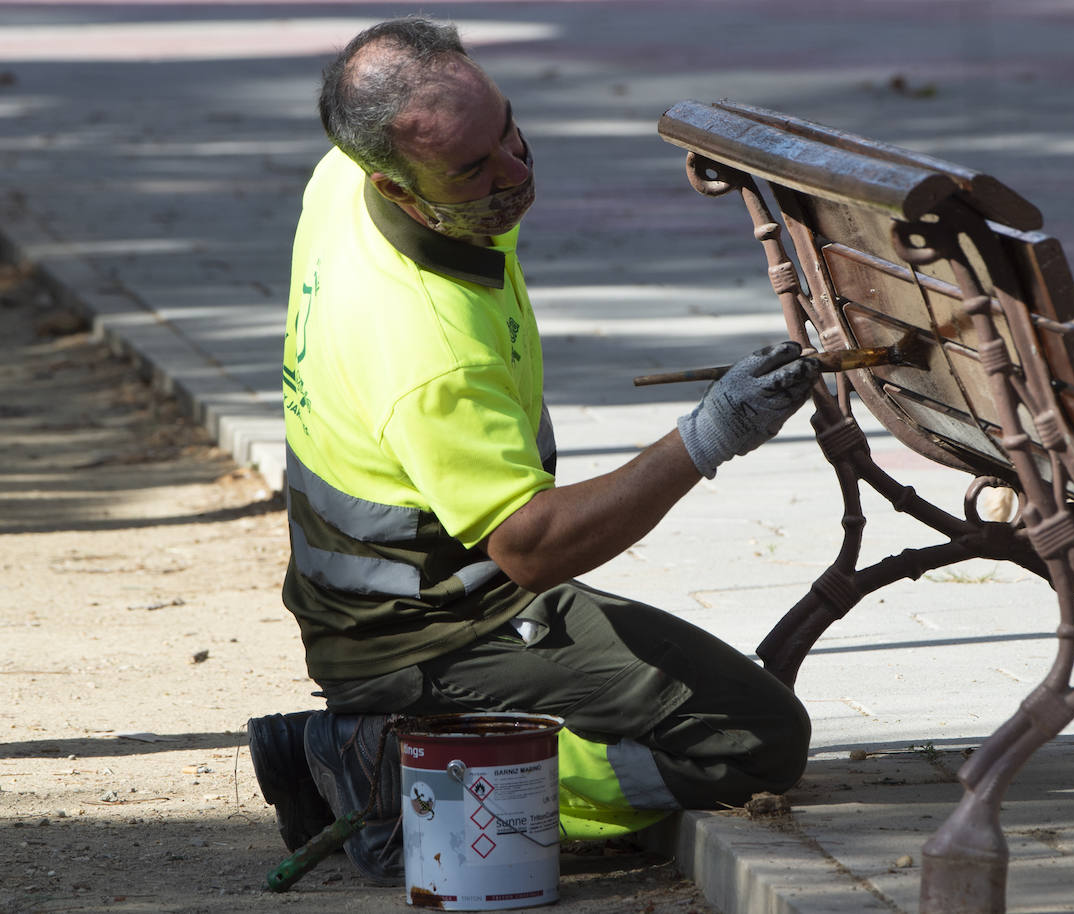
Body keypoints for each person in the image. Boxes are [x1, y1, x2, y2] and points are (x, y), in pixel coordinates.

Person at [247, 16, 819, 885]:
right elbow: (531, 547)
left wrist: (474, 175)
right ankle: (401, 772)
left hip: (408, 587)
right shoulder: (424, 340)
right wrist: (709, 437)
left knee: (711, 694)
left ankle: (395, 742)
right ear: (396, 188)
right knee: (752, 739)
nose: (514, 170)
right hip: (430, 626)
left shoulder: (346, 178)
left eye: (508, 129)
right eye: (473, 170)